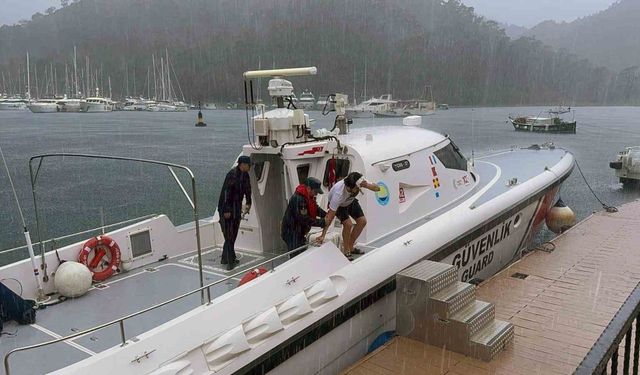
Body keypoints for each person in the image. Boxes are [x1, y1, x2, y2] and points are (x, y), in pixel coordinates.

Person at [319, 172, 380, 260]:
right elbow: (330, 216)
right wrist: (323, 234)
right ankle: (346, 249)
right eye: (349, 189)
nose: (355, 190)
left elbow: (377, 189)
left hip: (350, 201)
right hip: (340, 205)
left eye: (356, 188)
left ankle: (351, 246)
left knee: (362, 222)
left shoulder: (360, 182)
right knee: (348, 224)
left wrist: (367, 185)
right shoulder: (338, 194)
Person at [217, 155, 252, 270]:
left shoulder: (245, 175)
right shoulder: (232, 175)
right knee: (229, 235)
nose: (250, 166)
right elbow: (226, 193)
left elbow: (248, 189)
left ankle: (225, 257)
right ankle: (229, 261)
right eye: (249, 164)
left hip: (236, 207)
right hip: (227, 208)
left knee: (233, 234)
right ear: (242, 165)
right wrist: (226, 210)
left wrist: (248, 202)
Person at [281, 177, 326, 257]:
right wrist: (321, 222)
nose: (316, 194)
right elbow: (303, 219)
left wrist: (326, 215)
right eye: (315, 191)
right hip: (292, 231)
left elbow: (315, 209)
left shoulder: (308, 197)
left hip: (299, 231)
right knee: (296, 254)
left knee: (302, 252)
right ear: (309, 188)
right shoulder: (299, 199)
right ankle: (295, 269)